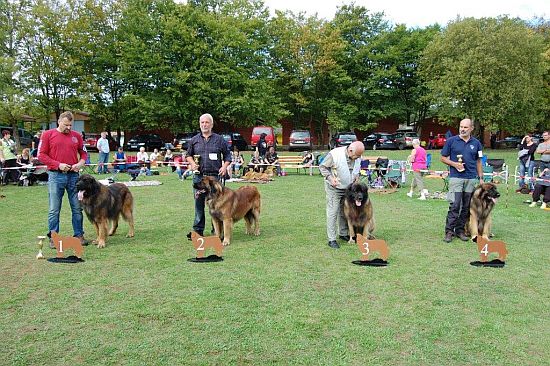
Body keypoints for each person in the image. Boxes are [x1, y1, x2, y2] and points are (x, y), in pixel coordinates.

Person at [38, 111, 88, 247]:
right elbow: (41, 155)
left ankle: (79, 235)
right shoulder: (48, 134)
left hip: (74, 177)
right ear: (59, 121)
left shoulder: (76, 136)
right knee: (54, 208)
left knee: (77, 208)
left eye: (71, 125)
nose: (69, 128)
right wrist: (58, 164)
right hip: (55, 176)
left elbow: (84, 153)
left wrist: (80, 163)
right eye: (66, 125)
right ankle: (54, 237)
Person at [185, 113, 231, 237]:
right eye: (202, 123)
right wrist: (193, 164)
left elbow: (227, 155)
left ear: (211, 124)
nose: (204, 125)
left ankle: (216, 231)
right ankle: (198, 231)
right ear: (200, 125)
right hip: (199, 177)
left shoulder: (219, 139)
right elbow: (188, 155)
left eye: (207, 122)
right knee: (199, 204)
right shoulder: (194, 140)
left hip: (214, 178)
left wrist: (224, 166)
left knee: (217, 205)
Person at [440, 118, 484, 243]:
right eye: (461, 126)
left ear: (471, 128)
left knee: (466, 206)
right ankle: (449, 231)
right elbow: (443, 158)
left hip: (470, 178)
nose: (462, 129)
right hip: (456, 178)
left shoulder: (476, 143)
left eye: (465, 127)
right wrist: (455, 164)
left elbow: (479, 161)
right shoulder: (451, 141)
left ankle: (460, 230)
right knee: (455, 205)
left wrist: (481, 178)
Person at [319, 141, 364, 249]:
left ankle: (343, 233)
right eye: (356, 155)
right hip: (334, 188)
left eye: (359, 156)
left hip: (349, 189)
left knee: (345, 211)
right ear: (351, 150)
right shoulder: (335, 154)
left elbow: (356, 171)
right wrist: (331, 178)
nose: (357, 158)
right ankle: (332, 239)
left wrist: (356, 178)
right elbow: (322, 167)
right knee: (333, 212)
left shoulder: (357, 157)